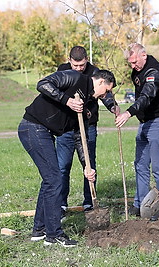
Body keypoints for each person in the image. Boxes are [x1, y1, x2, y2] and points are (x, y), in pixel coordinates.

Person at [18, 69, 116, 246]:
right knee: (55, 179)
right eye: (107, 90)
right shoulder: (75, 78)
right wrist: (67, 100)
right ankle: (53, 234)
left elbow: (80, 138)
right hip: (33, 127)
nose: (106, 95)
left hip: (43, 132)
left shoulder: (86, 103)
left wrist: (87, 166)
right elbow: (42, 84)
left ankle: (39, 229)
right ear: (101, 81)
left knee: (50, 179)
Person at [56, 46, 119, 218]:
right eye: (75, 66)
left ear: (87, 60)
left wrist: (112, 106)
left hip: (88, 125)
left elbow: (105, 93)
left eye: (82, 65)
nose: (78, 69)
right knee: (62, 167)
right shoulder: (62, 70)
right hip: (66, 127)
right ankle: (60, 204)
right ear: (69, 61)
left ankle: (89, 203)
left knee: (89, 166)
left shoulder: (95, 72)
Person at [115, 43, 159, 221]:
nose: (133, 66)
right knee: (140, 164)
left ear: (144, 55)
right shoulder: (137, 70)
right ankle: (140, 204)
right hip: (145, 123)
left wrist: (129, 112)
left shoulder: (154, 71)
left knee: (158, 167)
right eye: (130, 63)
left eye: (134, 62)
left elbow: (147, 95)